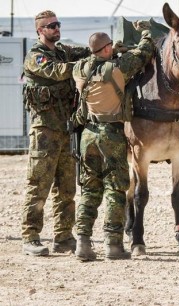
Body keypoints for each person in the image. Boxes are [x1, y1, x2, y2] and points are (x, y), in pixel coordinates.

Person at [72, 30, 154, 261]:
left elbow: (94, 63)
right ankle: (113, 244)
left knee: (89, 189)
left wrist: (111, 50)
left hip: (87, 133)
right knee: (115, 190)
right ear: (107, 49)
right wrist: (146, 34)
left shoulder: (79, 69)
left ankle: (83, 242)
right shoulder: (117, 69)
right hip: (111, 134)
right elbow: (142, 54)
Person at [22, 10, 91, 256]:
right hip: (44, 131)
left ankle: (63, 237)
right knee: (39, 185)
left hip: (65, 130)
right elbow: (58, 71)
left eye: (57, 24)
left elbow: (90, 51)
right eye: (51, 26)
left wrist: (108, 48)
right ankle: (30, 237)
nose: (56, 29)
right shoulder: (35, 57)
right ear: (40, 30)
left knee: (66, 189)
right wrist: (84, 65)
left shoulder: (63, 51)